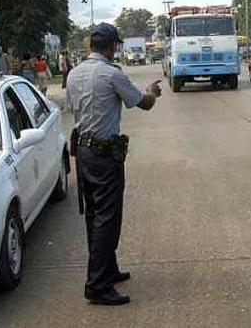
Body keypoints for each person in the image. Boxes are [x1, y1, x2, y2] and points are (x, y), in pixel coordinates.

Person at [66, 23, 162, 306]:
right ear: (110, 47)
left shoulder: (73, 74)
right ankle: (97, 284)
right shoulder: (111, 74)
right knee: (108, 216)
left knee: (95, 215)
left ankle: (107, 269)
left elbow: (73, 107)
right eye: (116, 45)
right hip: (105, 155)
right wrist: (152, 92)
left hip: (83, 152)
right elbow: (142, 103)